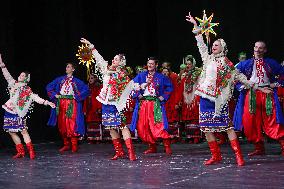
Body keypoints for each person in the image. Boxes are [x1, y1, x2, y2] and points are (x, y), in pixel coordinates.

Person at [186, 12, 254, 166]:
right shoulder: (207, 58)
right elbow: (201, 45)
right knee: (207, 128)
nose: (214, 47)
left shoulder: (228, 64)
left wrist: (254, 85)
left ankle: (238, 156)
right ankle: (216, 156)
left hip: (219, 99)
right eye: (213, 45)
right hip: (205, 97)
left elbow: (239, 76)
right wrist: (196, 27)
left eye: (217, 45)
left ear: (222, 47)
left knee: (227, 127)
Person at [80, 38, 137, 161]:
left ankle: (131, 152)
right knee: (111, 127)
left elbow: (131, 88)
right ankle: (119, 151)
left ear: (121, 62)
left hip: (118, 105)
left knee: (122, 126)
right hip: (106, 103)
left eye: (116, 59)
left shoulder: (123, 75)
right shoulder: (106, 70)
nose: (113, 60)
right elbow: (99, 58)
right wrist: (91, 46)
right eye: (114, 58)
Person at [0, 54, 55, 159]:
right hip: (9, 110)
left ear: (26, 79)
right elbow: (7, 75)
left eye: (22, 76)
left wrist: (47, 102)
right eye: (20, 75)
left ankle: (31, 151)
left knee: (23, 131)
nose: (20, 76)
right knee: (11, 131)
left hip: (19, 112)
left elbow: (36, 98)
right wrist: (2, 66)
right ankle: (20, 151)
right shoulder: (13, 83)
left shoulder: (27, 90)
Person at [234, 42, 284, 156]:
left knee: (273, 121)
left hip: (267, 94)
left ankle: (283, 145)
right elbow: (234, 76)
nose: (258, 49)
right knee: (250, 122)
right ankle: (259, 147)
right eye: (256, 47)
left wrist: (275, 84)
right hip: (251, 94)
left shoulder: (271, 63)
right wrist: (242, 87)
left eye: (261, 48)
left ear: (265, 50)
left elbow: (282, 73)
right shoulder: (245, 64)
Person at [130, 57, 173, 155]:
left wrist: (163, 96)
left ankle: (167, 146)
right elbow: (132, 86)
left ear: (156, 65)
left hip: (155, 104)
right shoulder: (141, 76)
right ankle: (152, 147)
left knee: (158, 125)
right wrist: (137, 94)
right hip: (143, 104)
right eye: (148, 63)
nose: (149, 65)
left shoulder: (161, 77)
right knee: (144, 127)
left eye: (152, 63)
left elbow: (170, 87)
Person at [46, 62, 90, 153]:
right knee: (62, 123)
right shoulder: (60, 79)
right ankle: (66, 144)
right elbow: (49, 87)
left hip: (71, 103)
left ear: (73, 69)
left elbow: (86, 90)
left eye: (69, 67)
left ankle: (74, 145)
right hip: (61, 103)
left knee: (71, 124)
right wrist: (55, 95)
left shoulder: (77, 81)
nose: (66, 68)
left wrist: (77, 97)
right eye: (66, 66)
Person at [178, 55, 202, 143]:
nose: (188, 65)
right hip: (186, 98)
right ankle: (190, 136)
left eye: (190, 64)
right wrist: (180, 100)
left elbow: (200, 86)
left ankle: (196, 137)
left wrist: (199, 98)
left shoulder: (198, 73)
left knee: (194, 117)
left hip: (194, 97)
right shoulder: (185, 74)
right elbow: (181, 87)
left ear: (193, 64)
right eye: (187, 64)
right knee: (187, 118)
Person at [83, 74, 103, 143]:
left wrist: (99, 108)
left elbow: (100, 98)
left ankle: (97, 138)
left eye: (92, 78)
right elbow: (85, 99)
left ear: (95, 79)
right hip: (89, 108)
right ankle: (91, 138)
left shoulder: (98, 87)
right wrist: (84, 109)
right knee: (90, 123)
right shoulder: (87, 88)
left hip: (95, 108)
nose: (90, 80)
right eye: (89, 78)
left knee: (96, 122)